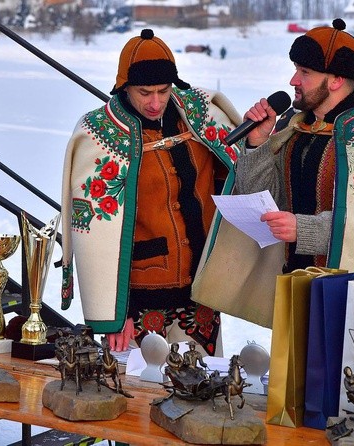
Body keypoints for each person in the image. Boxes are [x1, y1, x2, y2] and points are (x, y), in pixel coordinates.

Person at [195, 19, 354, 340]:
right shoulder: (296, 128)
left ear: (336, 79)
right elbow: (266, 198)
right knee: (293, 388)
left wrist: (302, 229)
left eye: (305, 72)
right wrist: (258, 144)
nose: (293, 80)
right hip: (296, 285)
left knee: (344, 388)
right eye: (296, 69)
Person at [60, 29, 242, 356]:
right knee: (141, 399)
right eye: (144, 92)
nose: (156, 102)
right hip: (139, 302)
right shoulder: (100, 136)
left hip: (200, 295)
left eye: (163, 90)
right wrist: (115, 316)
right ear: (123, 86)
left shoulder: (201, 118)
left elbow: (235, 175)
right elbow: (92, 231)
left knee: (203, 395)